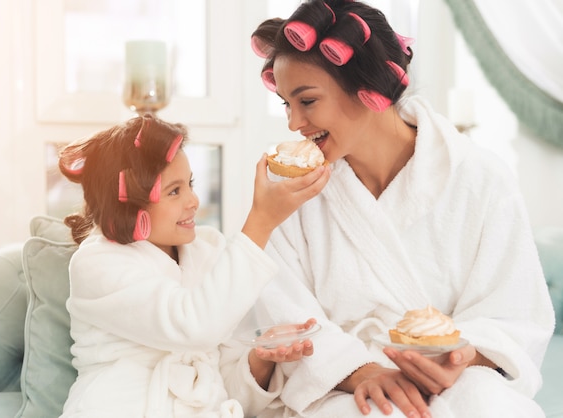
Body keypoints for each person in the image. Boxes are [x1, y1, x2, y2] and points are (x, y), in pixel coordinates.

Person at [221, 1, 556, 417]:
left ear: (369, 88)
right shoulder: (293, 192)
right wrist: (360, 371)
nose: (293, 124)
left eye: (306, 101)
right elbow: (287, 314)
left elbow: (515, 314)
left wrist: (459, 358)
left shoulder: (479, 176)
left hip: (461, 376)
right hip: (345, 382)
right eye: (286, 105)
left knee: (491, 407)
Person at [56, 114, 330, 417]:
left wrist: (261, 360)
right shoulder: (97, 263)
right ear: (129, 204)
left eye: (190, 184)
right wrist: (261, 221)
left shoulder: (205, 250)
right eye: (174, 191)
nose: (194, 201)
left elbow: (225, 392)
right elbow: (194, 325)